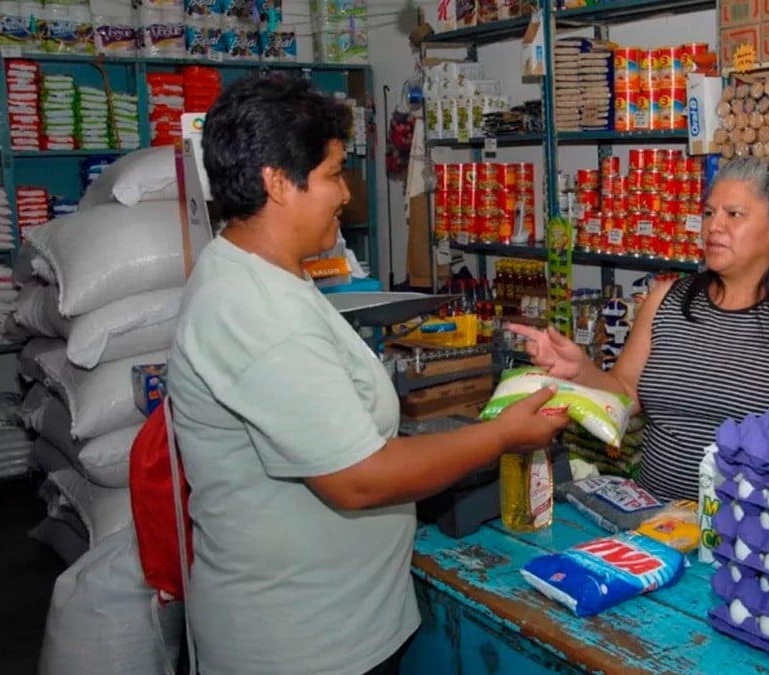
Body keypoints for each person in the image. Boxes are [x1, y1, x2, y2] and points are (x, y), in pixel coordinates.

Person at [165, 75, 568, 675]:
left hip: (343, 624)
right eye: (330, 174)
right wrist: (502, 435)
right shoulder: (254, 311)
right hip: (300, 646)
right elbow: (357, 479)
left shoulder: (270, 278)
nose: (345, 195)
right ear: (278, 182)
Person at [512, 158, 769, 501]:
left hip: (746, 537)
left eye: (733, 214)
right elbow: (625, 393)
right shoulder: (667, 299)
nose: (713, 227)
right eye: (709, 213)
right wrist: (580, 370)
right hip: (653, 521)